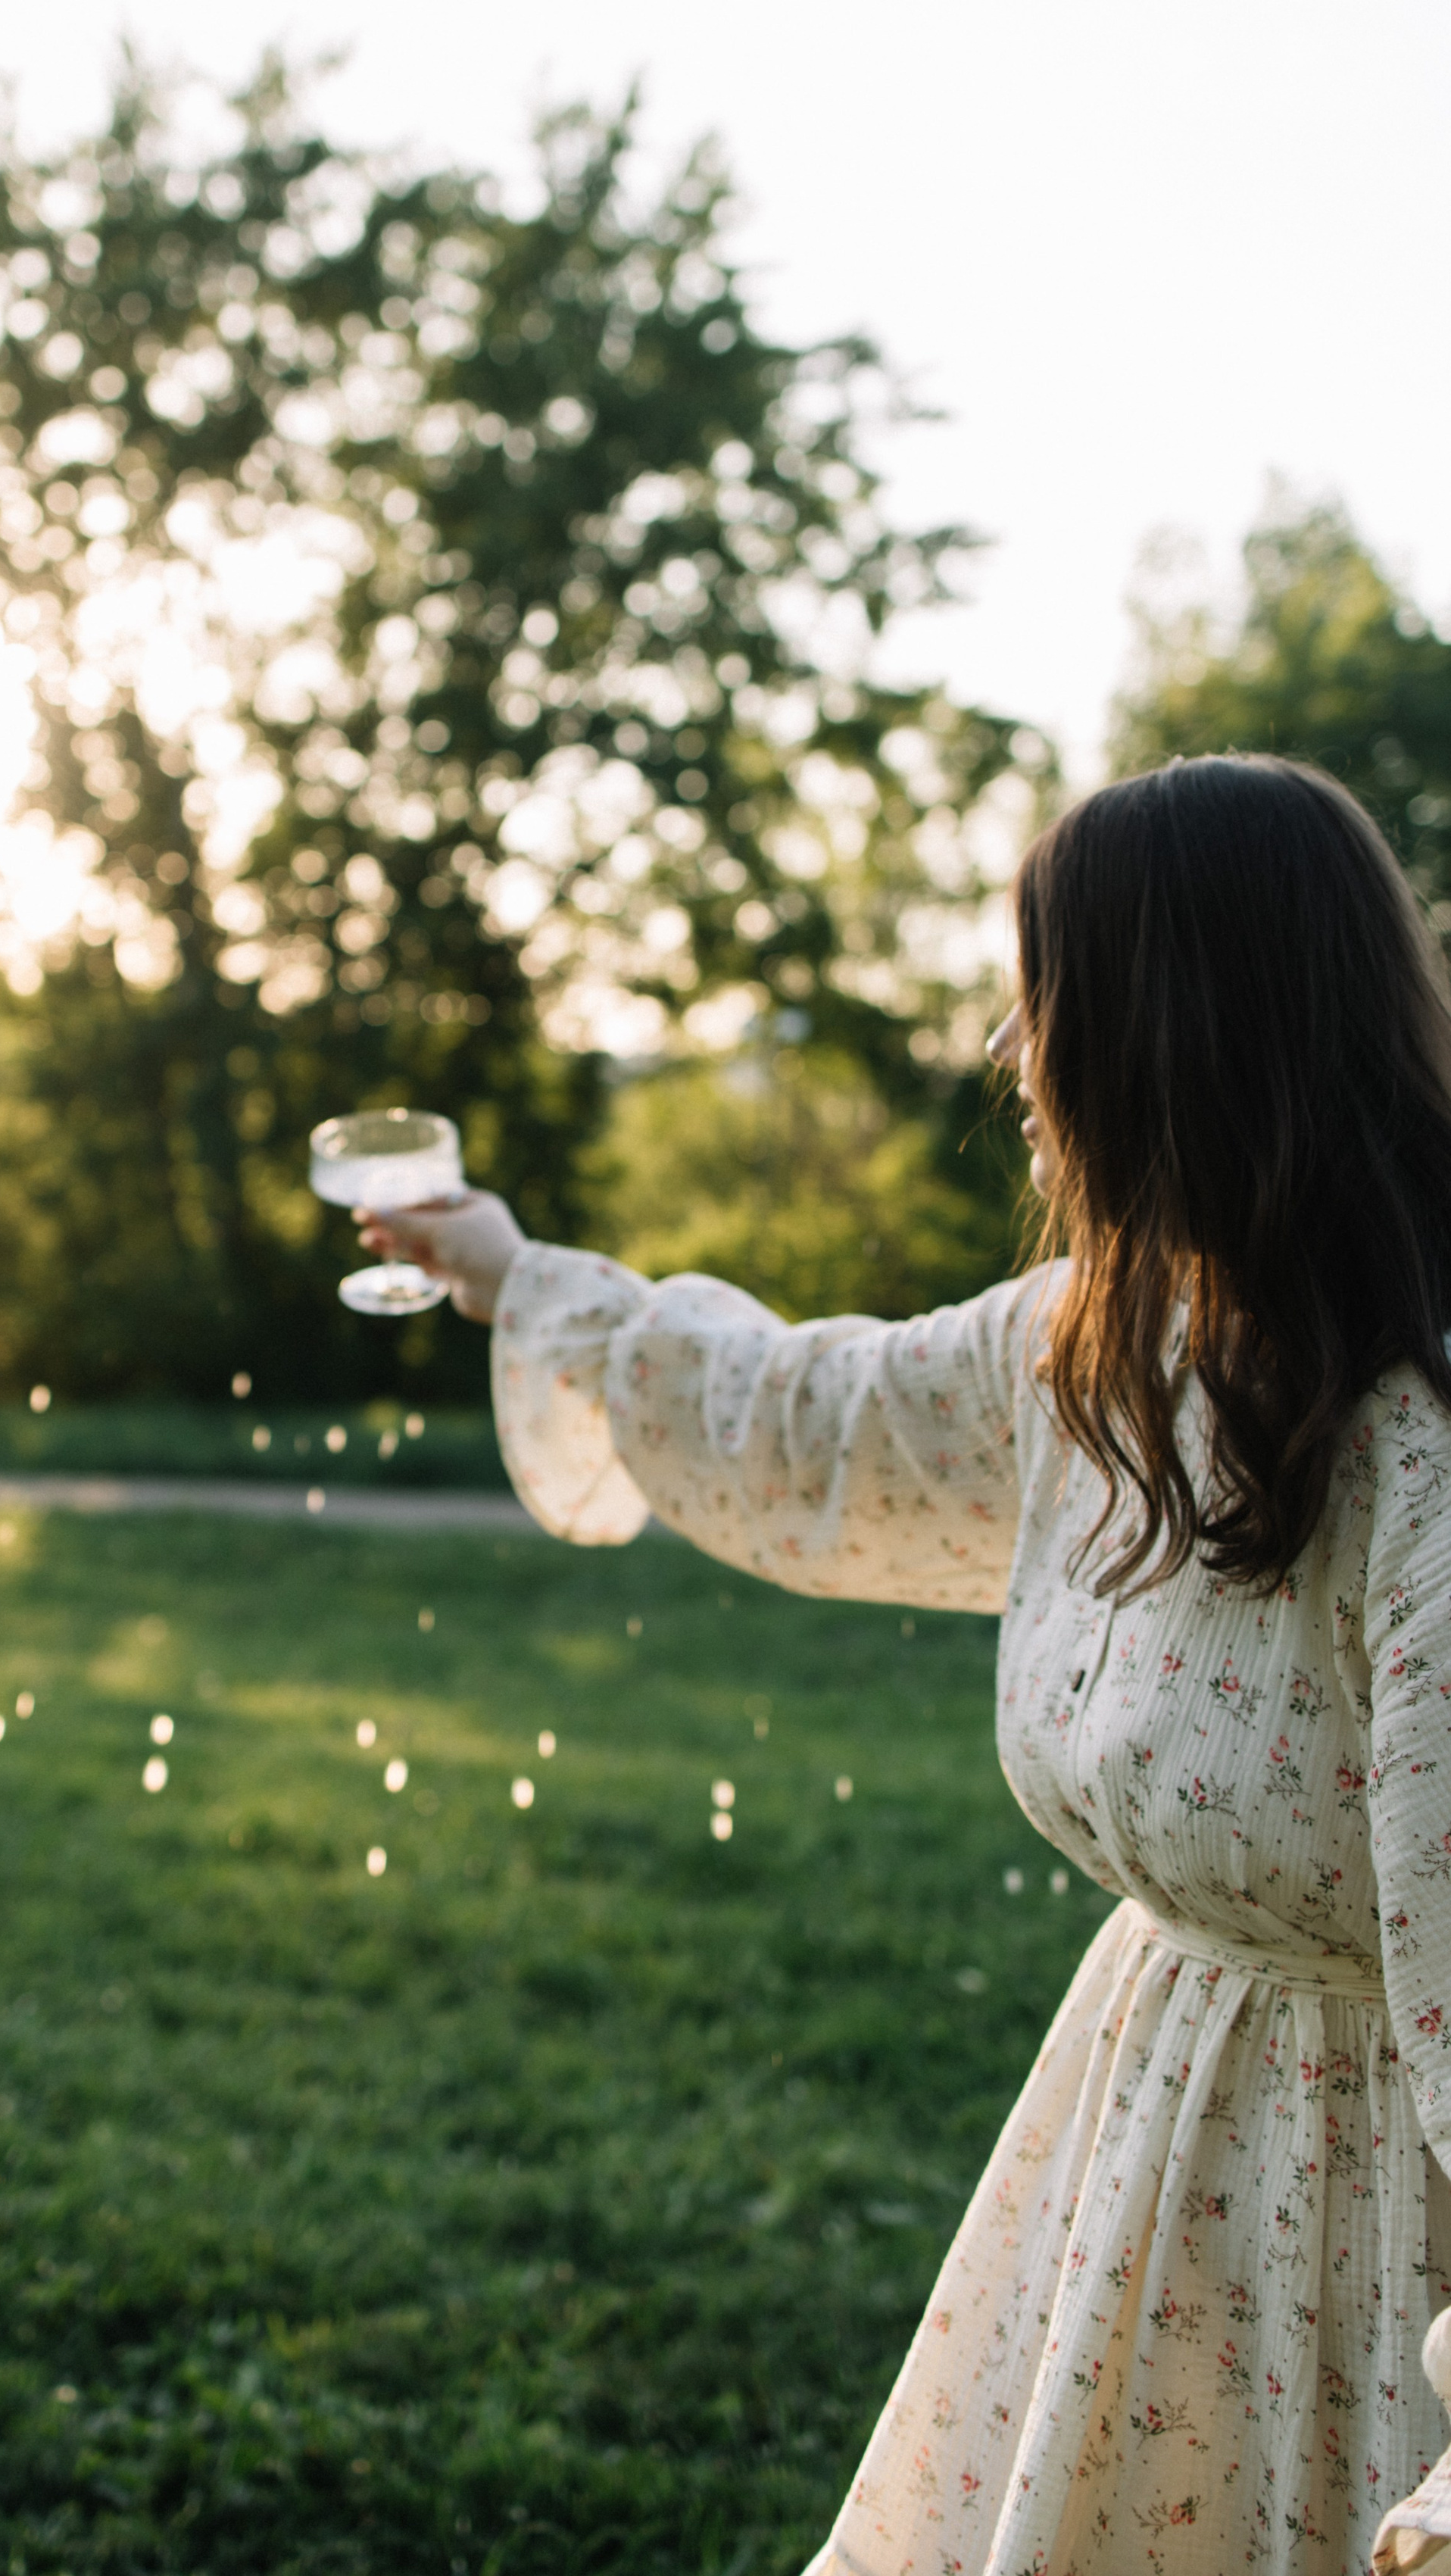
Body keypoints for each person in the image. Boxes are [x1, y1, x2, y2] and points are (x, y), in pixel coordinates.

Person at [358, 754, 1451, 2576]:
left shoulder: (1417, 1456)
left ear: (1165, 1038)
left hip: (1372, 2269)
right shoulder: (1112, 1345)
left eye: (1046, 1010)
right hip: (1148, 2178)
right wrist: (510, 1273)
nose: (1016, 1063)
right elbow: (807, 1419)